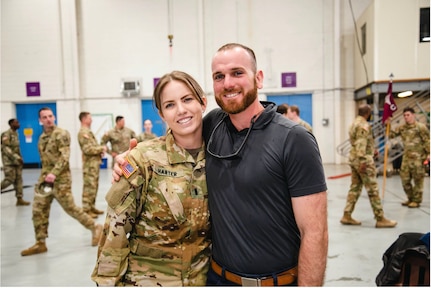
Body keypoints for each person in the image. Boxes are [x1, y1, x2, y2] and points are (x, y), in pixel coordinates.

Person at [114, 43, 328, 286]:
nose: (228, 83)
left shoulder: (294, 139)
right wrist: (130, 160)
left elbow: (315, 233)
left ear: (258, 78)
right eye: (219, 76)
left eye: (237, 73)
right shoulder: (213, 125)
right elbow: (176, 137)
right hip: (217, 279)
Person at [91, 71, 211, 286]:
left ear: (203, 102)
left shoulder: (221, 156)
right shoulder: (142, 159)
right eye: (170, 105)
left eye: (187, 99)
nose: (181, 110)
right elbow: (114, 235)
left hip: (204, 279)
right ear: (162, 114)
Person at [20, 107, 102, 256]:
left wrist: (54, 173)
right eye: (44, 117)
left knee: (70, 208)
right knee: (38, 210)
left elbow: (64, 157)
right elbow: (44, 160)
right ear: (40, 120)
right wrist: (46, 176)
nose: (48, 119)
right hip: (45, 180)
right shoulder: (42, 138)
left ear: (54, 117)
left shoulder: (62, 134)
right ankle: (40, 242)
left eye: (50, 116)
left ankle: (95, 227)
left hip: (61, 180)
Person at [340, 104, 397, 228]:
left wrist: (371, 150)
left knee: (355, 188)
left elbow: (357, 142)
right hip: (362, 161)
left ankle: (347, 214)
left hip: (354, 158)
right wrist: (363, 161)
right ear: (368, 113)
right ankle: (380, 218)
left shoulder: (354, 123)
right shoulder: (364, 125)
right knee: (373, 190)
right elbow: (361, 143)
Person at [387, 107, 430, 208]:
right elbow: (391, 135)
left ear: (413, 115)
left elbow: (427, 141)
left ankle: (416, 200)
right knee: (405, 180)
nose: (406, 117)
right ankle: (410, 198)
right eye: (405, 115)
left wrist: (429, 153)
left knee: (418, 180)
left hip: (418, 158)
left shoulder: (421, 127)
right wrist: (387, 125)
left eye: (408, 115)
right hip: (406, 158)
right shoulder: (402, 128)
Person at [77, 112, 107, 218]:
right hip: (89, 165)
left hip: (94, 164)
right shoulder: (83, 132)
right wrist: (101, 148)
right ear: (84, 119)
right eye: (90, 118)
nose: (92, 120)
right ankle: (86, 209)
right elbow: (87, 149)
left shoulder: (88, 132)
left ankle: (91, 207)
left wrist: (99, 151)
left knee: (94, 186)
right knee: (88, 187)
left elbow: (92, 146)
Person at [1, 118, 30, 206]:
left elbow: (17, 148)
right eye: (16, 122)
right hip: (9, 162)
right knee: (9, 179)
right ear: (11, 124)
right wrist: (16, 157)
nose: (18, 124)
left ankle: (19, 199)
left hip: (17, 162)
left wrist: (20, 157)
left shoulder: (16, 134)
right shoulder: (6, 134)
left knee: (18, 180)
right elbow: (5, 148)